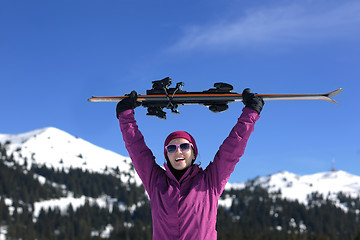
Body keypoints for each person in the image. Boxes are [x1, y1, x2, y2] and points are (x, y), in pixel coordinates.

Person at [116, 88, 264, 240]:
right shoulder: (156, 182)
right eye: (172, 148)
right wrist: (125, 116)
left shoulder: (210, 182)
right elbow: (137, 150)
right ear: (166, 155)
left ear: (194, 153)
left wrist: (250, 113)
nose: (178, 151)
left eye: (185, 146)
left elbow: (231, 149)